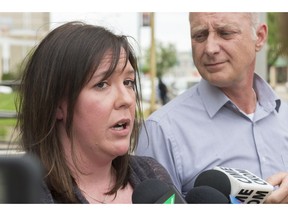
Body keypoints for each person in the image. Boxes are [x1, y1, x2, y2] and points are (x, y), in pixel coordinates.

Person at [135, 13, 288, 203]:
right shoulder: (161, 131)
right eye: (200, 35)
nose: (210, 48)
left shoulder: (283, 116)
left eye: (225, 33)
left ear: (260, 37)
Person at [15, 21, 173, 203]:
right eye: (102, 84)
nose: (127, 100)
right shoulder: (25, 195)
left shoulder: (151, 174)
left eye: (128, 82)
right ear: (57, 104)